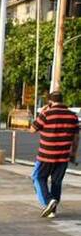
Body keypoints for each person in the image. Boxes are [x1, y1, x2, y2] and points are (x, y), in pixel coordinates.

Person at [30, 90, 79, 218]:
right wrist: (73, 154)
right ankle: (52, 210)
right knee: (56, 182)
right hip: (63, 156)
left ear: (50, 101)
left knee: (38, 177)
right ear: (62, 100)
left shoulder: (46, 114)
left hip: (46, 155)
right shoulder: (73, 116)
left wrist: (42, 112)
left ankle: (48, 201)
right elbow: (76, 138)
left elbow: (32, 130)